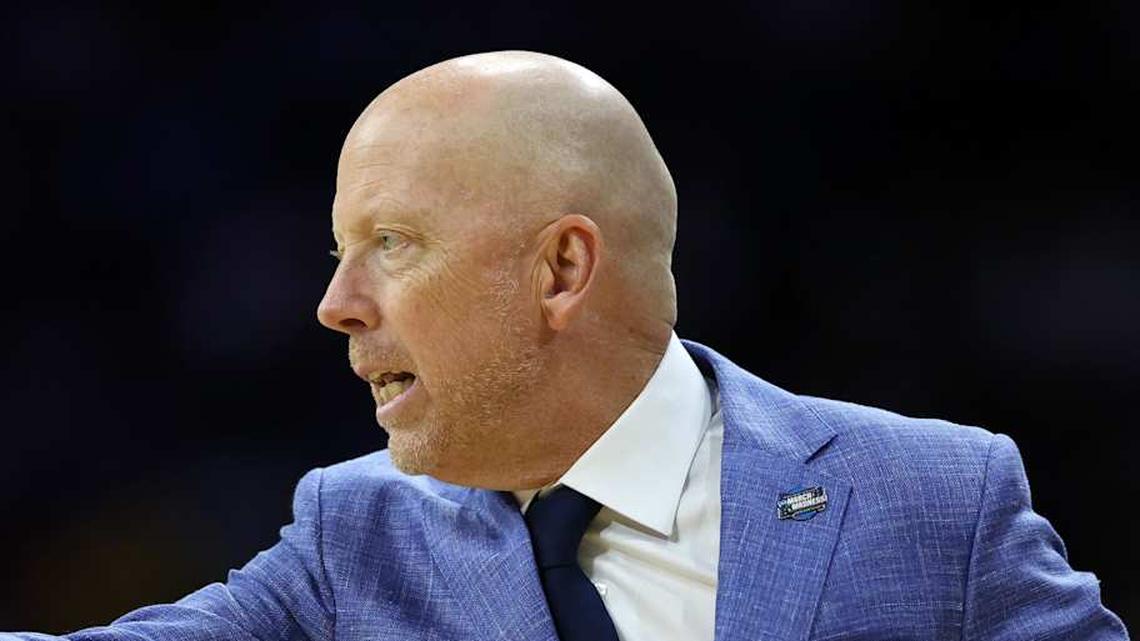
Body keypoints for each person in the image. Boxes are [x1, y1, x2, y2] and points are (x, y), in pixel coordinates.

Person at [3, 50, 1128, 641]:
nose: (336, 302)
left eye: (390, 242)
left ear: (561, 270)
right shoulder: (356, 535)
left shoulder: (936, 497)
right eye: (341, 250)